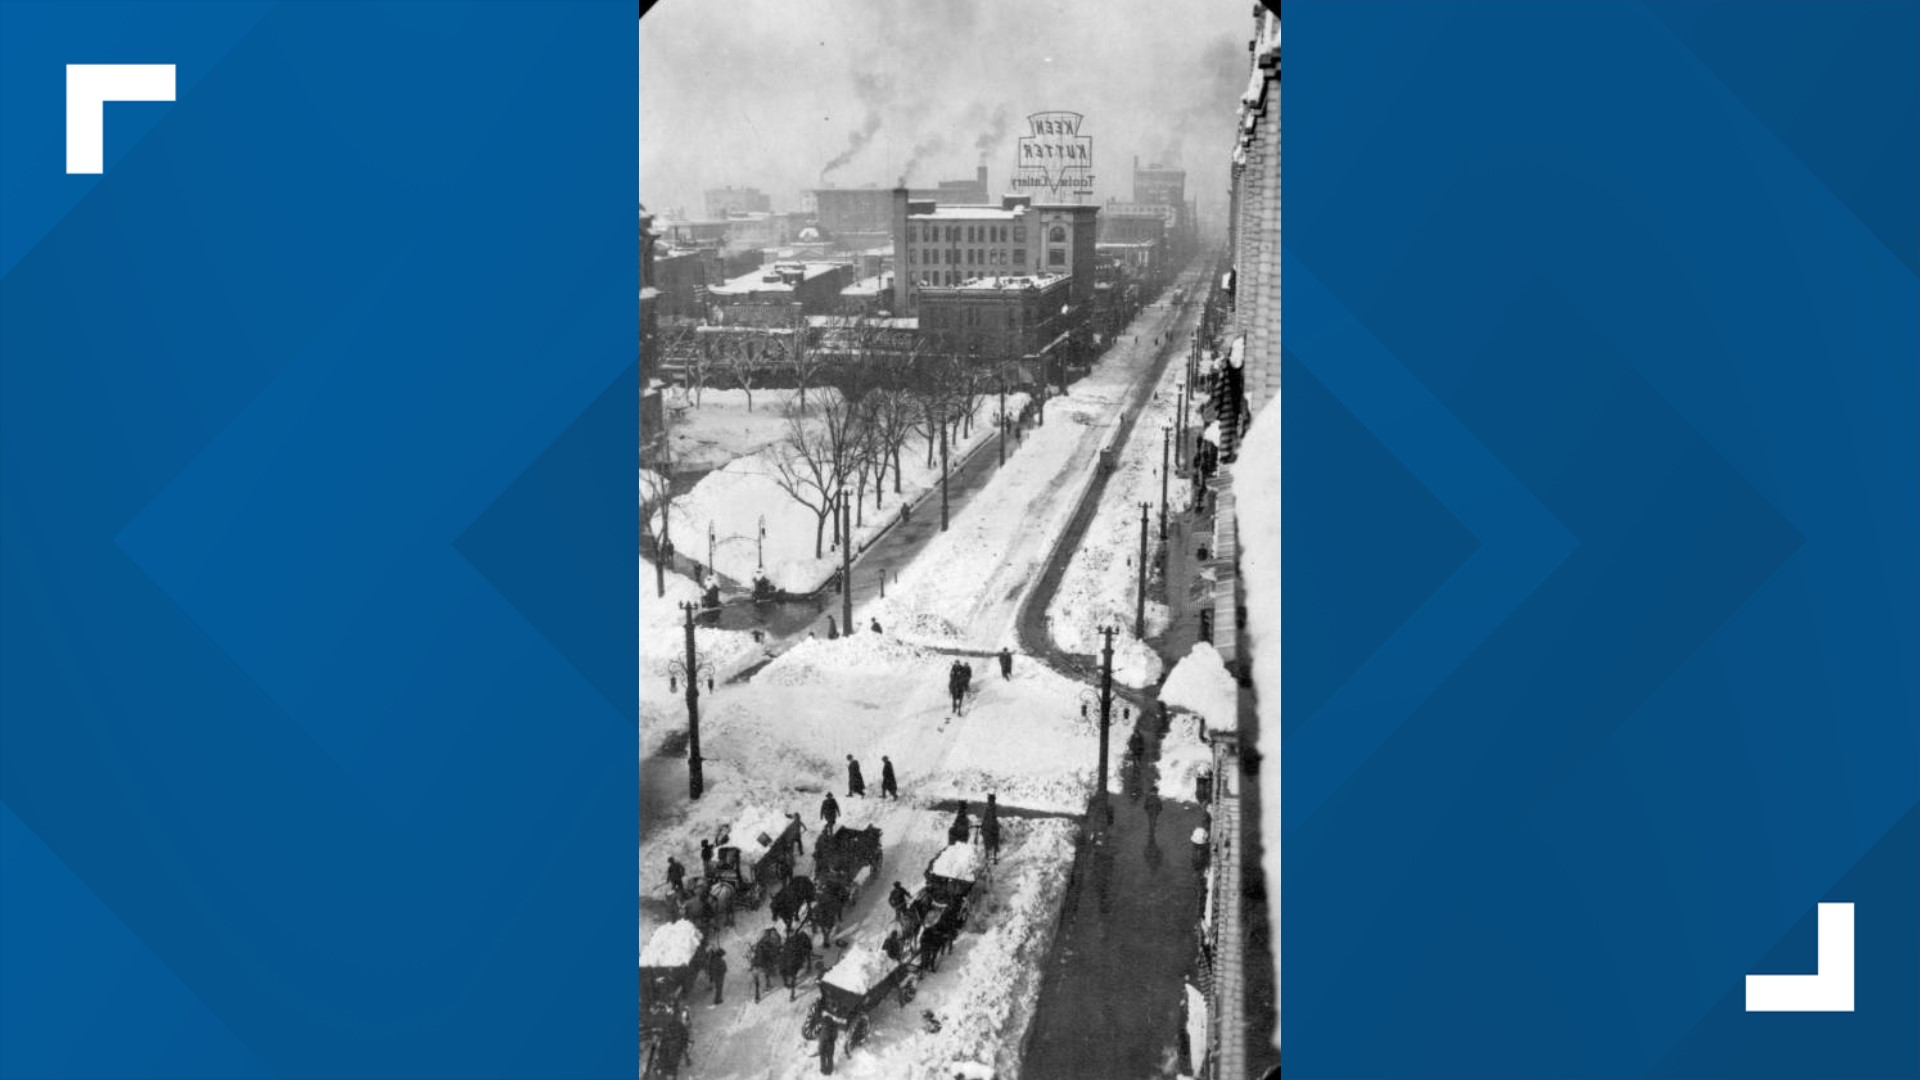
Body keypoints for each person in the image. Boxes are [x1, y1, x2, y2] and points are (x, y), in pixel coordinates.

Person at [981, 794, 1002, 864]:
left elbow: (986, 817)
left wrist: (983, 825)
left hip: (989, 826)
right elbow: (993, 817)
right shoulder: (994, 807)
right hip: (993, 827)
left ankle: (987, 855)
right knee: (996, 839)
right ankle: (995, 857)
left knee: (986, 839)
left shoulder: (988, 807)